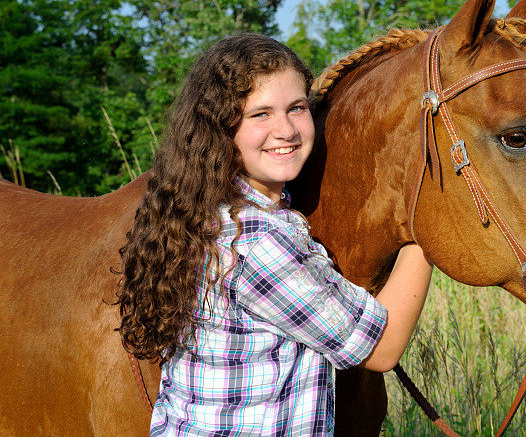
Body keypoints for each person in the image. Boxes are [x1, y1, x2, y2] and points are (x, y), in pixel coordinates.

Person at [117, 33, 433, 436]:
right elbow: (382, 348)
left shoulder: (210, 214)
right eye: (260, 114)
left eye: (296, 108)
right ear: (221, 129)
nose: (285, 129)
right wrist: (424, 225)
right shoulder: (256, 241)